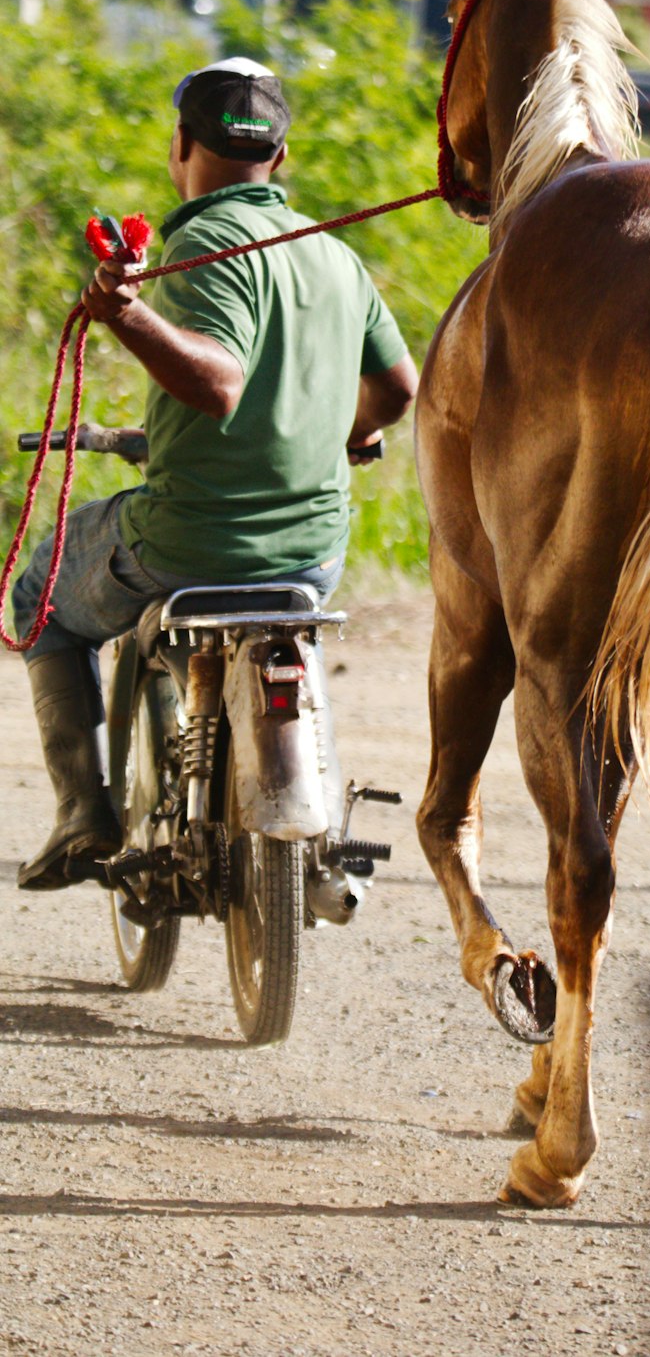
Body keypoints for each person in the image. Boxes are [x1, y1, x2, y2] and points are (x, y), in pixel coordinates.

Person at [14, 56, 418, 892]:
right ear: (279, 158)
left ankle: (83, 815)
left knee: (38, 593)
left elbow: (219, 382)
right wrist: (348, 436)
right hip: (312, 555)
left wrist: (123, 312)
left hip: (189, 544)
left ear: (181, 144)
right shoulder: (332, 255)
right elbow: (396, 390)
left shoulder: (200, 239)